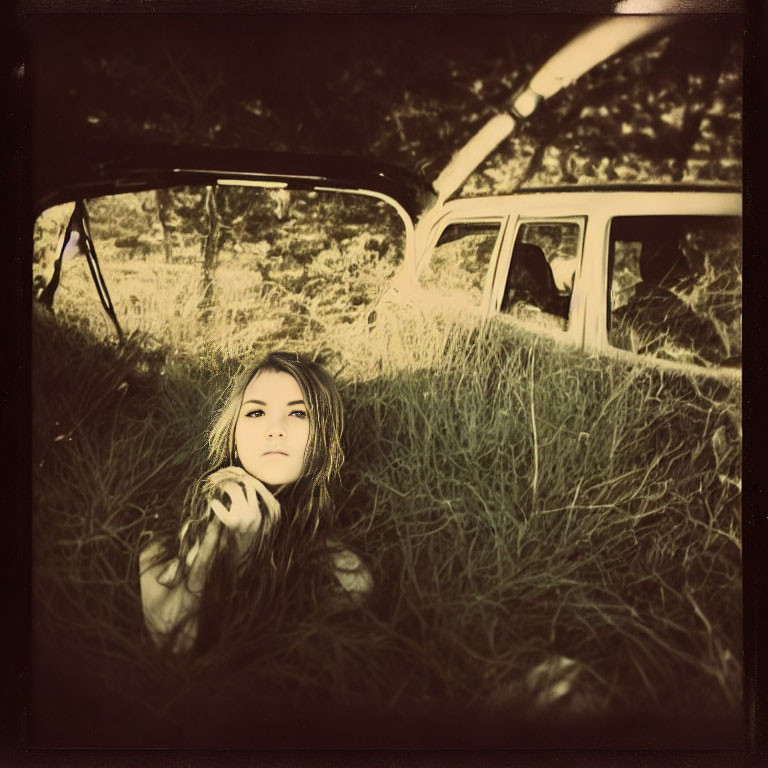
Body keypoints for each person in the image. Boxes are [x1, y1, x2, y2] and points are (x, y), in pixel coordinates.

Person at [139, 351, 373, 653]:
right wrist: (222, 547)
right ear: (234, 436)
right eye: (256, 413)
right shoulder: (169, 533)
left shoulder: (342, 575)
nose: (275, 428)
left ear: (325, 440)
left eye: (298, 413)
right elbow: (173, 643)